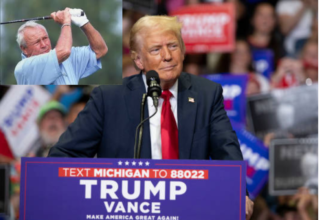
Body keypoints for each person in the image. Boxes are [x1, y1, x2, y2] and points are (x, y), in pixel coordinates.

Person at [48, 15, 254, 219]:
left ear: (182, 51)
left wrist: (238, 192)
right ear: (138, 60)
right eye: (156, 49)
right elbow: (64, 155)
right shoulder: (109, 98)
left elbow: (226, 151)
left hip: (189, 211)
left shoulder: (206, 94)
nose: (167, 56)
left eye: (173, 46)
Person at [14, 8, 108, 85]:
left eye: (45, 38)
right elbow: (64, 52)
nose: (44, 45)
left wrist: (83, 23)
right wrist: (66, 22)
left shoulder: (67, 56)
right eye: (37, 42)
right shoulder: (23, 68)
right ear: (24, 49)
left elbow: (100, 50)